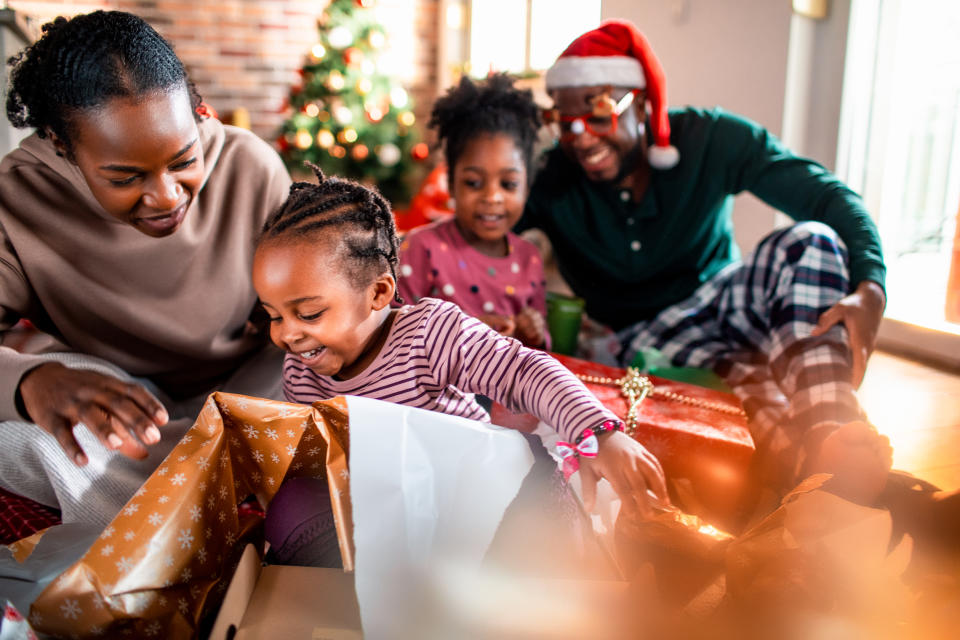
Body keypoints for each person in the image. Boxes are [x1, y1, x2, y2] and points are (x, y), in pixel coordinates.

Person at [516, 19, 892, 504]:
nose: (581, 138)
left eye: (599, 115)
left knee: (810, 241)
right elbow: (470, 227)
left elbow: (827, 198)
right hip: (641, 341)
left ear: (645, 102)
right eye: (565, 123)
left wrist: (872, 285)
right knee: (764, 411)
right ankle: (836, 486)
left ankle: (832, 427)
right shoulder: (551, 177)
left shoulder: (711, 138)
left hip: (725, 299)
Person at [0, 11, 291, 527]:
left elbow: (304, 316)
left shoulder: (250, 168)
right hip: (117, 396)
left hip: (243, 387)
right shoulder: (16, 197)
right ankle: (211, 487)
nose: (166, 196)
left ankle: (179, 494)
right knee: (16, 433)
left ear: (197, 115)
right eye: (126, 177)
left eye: (183, 160)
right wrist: (32, 382)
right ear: (62, 146)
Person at [252, 165, 668, 517]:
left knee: (545, 510)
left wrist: (601, 433)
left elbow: (523, 370)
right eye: (273, 315)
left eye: (308, 314)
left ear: (378, 294)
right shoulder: (301, 371)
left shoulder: (429, 334)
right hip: (402, 511)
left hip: (485, 494)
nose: (286, 334)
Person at [397, 73, 548, 349]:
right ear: (451, 183)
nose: (492, 197)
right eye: (473, 183)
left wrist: (533, 332)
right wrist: (467, 330)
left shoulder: (530, 259)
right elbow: (393, 335)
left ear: (527, 187)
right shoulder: (421, 248)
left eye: (508, 184)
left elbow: (538, 350)